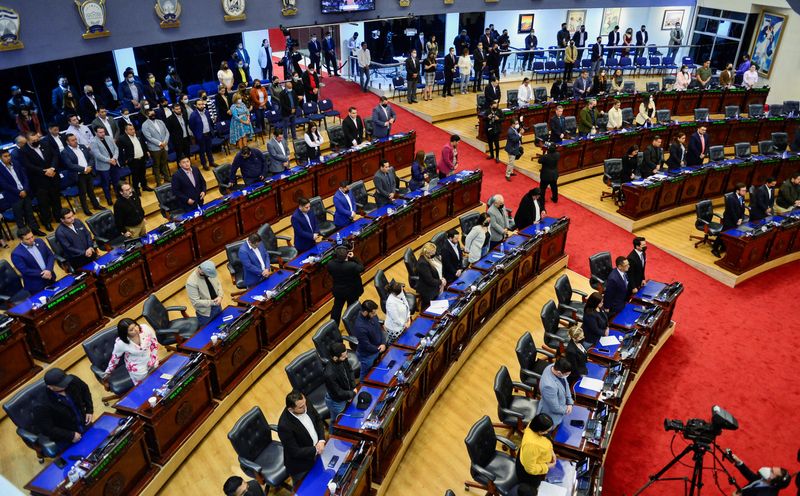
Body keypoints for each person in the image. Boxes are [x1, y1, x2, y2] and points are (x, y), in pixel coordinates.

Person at [33, 368, 93, 448]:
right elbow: (48, 429)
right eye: (61, 384)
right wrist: (70, 435)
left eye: (65, 382)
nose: (66, 385)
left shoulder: (71, 381)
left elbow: (85, 389)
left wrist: (89, 410)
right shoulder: (41, 405)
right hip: (66, 435)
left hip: (83, 423)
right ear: (50, 387)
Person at [277, 390, 326, 488]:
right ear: (291, 409)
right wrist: (315, 449)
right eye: (301, 407)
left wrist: (321, 440)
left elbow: (318, 420)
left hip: (318, 451)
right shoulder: (284, 426)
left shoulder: (304, 402)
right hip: (301, 465)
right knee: (306, 488)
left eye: (305, 403)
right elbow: (295, 452)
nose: (305, 407)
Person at [103, 317, 159, 385]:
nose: (136, 329)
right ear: (126, 333)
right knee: (145, 385)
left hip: (151, 359)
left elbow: (154, 343)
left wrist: (153, 358)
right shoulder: (121, 343)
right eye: (131, 330)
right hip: (137, 368)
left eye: (135, 325)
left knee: (158, 379)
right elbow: (114, 358)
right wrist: (107, 373)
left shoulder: (145, 328)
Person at [0, 149, 43, 234]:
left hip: (25, 192)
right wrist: (19, 192)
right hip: (13, 196)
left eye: (9, 155)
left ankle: (35, 230)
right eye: (5, 156)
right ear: (0, 158)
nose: (8, 158)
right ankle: (24, 235)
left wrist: (25, 189)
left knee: (30, 213)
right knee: (19, 217)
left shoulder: (15, 163)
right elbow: (4, 184)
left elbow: (25, 176)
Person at [61, 133, 102, 215]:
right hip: (79, 175)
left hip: (89, 172)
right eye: (72, 140)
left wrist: (89, 166)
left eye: (75, 139)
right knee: (83, 193)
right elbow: (70, 165)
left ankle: (96, 205)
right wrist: (84, 169)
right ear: (67, 142)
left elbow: (91, 157)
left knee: (91, 190)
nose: (75, 141)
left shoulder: (82, 146)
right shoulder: (65, 152)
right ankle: (86, 210)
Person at [515, 414, 556, 490]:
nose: (547, 433)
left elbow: (545, 441)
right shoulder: (532, 445)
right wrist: (547, 466)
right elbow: (530, 469)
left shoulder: (533, 424)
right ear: (540, 431)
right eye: (547, 431)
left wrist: (551, 452)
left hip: (532, 458)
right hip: (529, 475)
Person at [11, 227, 57, 294]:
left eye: (32, 237)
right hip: (36, 285)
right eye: (28, 239)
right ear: (21, 239)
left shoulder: (39, 241)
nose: (32, 240)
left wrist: (48, 269)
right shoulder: (16, 253)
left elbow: (50, 255)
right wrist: (44, 274)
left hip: (50, 277)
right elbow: (25, 270)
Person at [327, 245, 364, 325]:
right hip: (352, 291)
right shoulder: (351, 265)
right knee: (351, 308)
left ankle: (334, 326)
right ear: (347, 255)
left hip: (339, 290)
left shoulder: (330, 264)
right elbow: (361, 268)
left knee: (337, 308)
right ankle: (351, 324)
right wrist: (354, 258)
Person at [726, 452, 791, 495]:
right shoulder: (766, 479)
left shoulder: (764, 494)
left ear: (775, 482)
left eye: (772, 472)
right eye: (771, 468)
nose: (768, 470)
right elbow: (752, 478)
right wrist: (739, 462)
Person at [352, 300, 386, 380]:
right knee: (365, 376)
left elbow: (379, 329)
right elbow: (366, 345)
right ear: (365, 312)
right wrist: (379, 349)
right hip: (367, 355)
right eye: (373, 313)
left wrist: (383, 343)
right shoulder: (360, 327)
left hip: (379, 347)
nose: (375, 315)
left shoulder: (372, 315)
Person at [323, 341, 357, 423]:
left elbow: (350, 371)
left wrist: (352, 387)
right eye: (343, 357)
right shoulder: (329, 374)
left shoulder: (343, 358)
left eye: (346, 355)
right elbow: (338, 393)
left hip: (346, 393)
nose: (346, 357)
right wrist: (351, 394)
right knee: (338, 421)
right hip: (337, 402)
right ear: (335, 358)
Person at [535, 358, 574, 427]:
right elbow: (555, 408)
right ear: (559, 373)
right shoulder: (549, 386)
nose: (567, 376)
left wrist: (570, 402)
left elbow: (565, 384)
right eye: (567, 374)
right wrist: (567, 409)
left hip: (562, 403)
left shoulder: (554, 367)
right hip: (551, 414)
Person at [186, 260, 224, 326]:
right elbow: (196, 302)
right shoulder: (191, 282)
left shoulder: (210, 272)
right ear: (201, 271)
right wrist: (213, 302)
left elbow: (218, 284)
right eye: (208, 275)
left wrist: (220, 296)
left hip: (217, 305)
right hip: (205, 314)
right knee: (208, 332)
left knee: (222, 325)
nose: (209, 277)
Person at [89, 126, 120, 206]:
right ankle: (108, 199)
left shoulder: (109, 138)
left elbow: (116, 149)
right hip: (103, 166)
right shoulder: (93, 142)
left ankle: (119, 195)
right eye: (100, 132)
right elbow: (97, 155)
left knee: (116, 181)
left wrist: (114, 158)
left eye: (103, 132)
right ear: (96, 133)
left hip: (114, 163)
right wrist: (109, 160)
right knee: (106, 184)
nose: (103, 134)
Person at [118, 123, 151, 193]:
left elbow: (143, 144)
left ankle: (144, 186)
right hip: (133, 161)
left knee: (143, 173)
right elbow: (120, 151)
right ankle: (136, 189)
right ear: (126, 131)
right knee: (135, 176)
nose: (133, 131)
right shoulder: (122, 139)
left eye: (133, 129)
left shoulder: (138, 134)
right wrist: (124, 160)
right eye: (130, 130)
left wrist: (147, 151)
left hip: (142, 158)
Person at [141, 108, 170, 185]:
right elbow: (148, 137)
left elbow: (167, 132)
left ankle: (167, 178)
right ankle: (158, 182)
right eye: (151, 114)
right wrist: (160, 143)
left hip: (164, 146)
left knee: (164, 163)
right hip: (155, 148)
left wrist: (165, 142)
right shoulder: (144, 125)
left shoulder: (160, 121)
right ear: (147, 115)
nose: (153, 115)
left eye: (153, 113)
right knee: (156, 165)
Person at [416, 242, 445, 312]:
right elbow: (430, 280)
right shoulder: (422, 263)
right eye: (433, 252)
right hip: (428, 290)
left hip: (434, 285)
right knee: (427, 309)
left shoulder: (428, 258)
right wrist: (441, 282)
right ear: (428, 253)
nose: (435, 253)